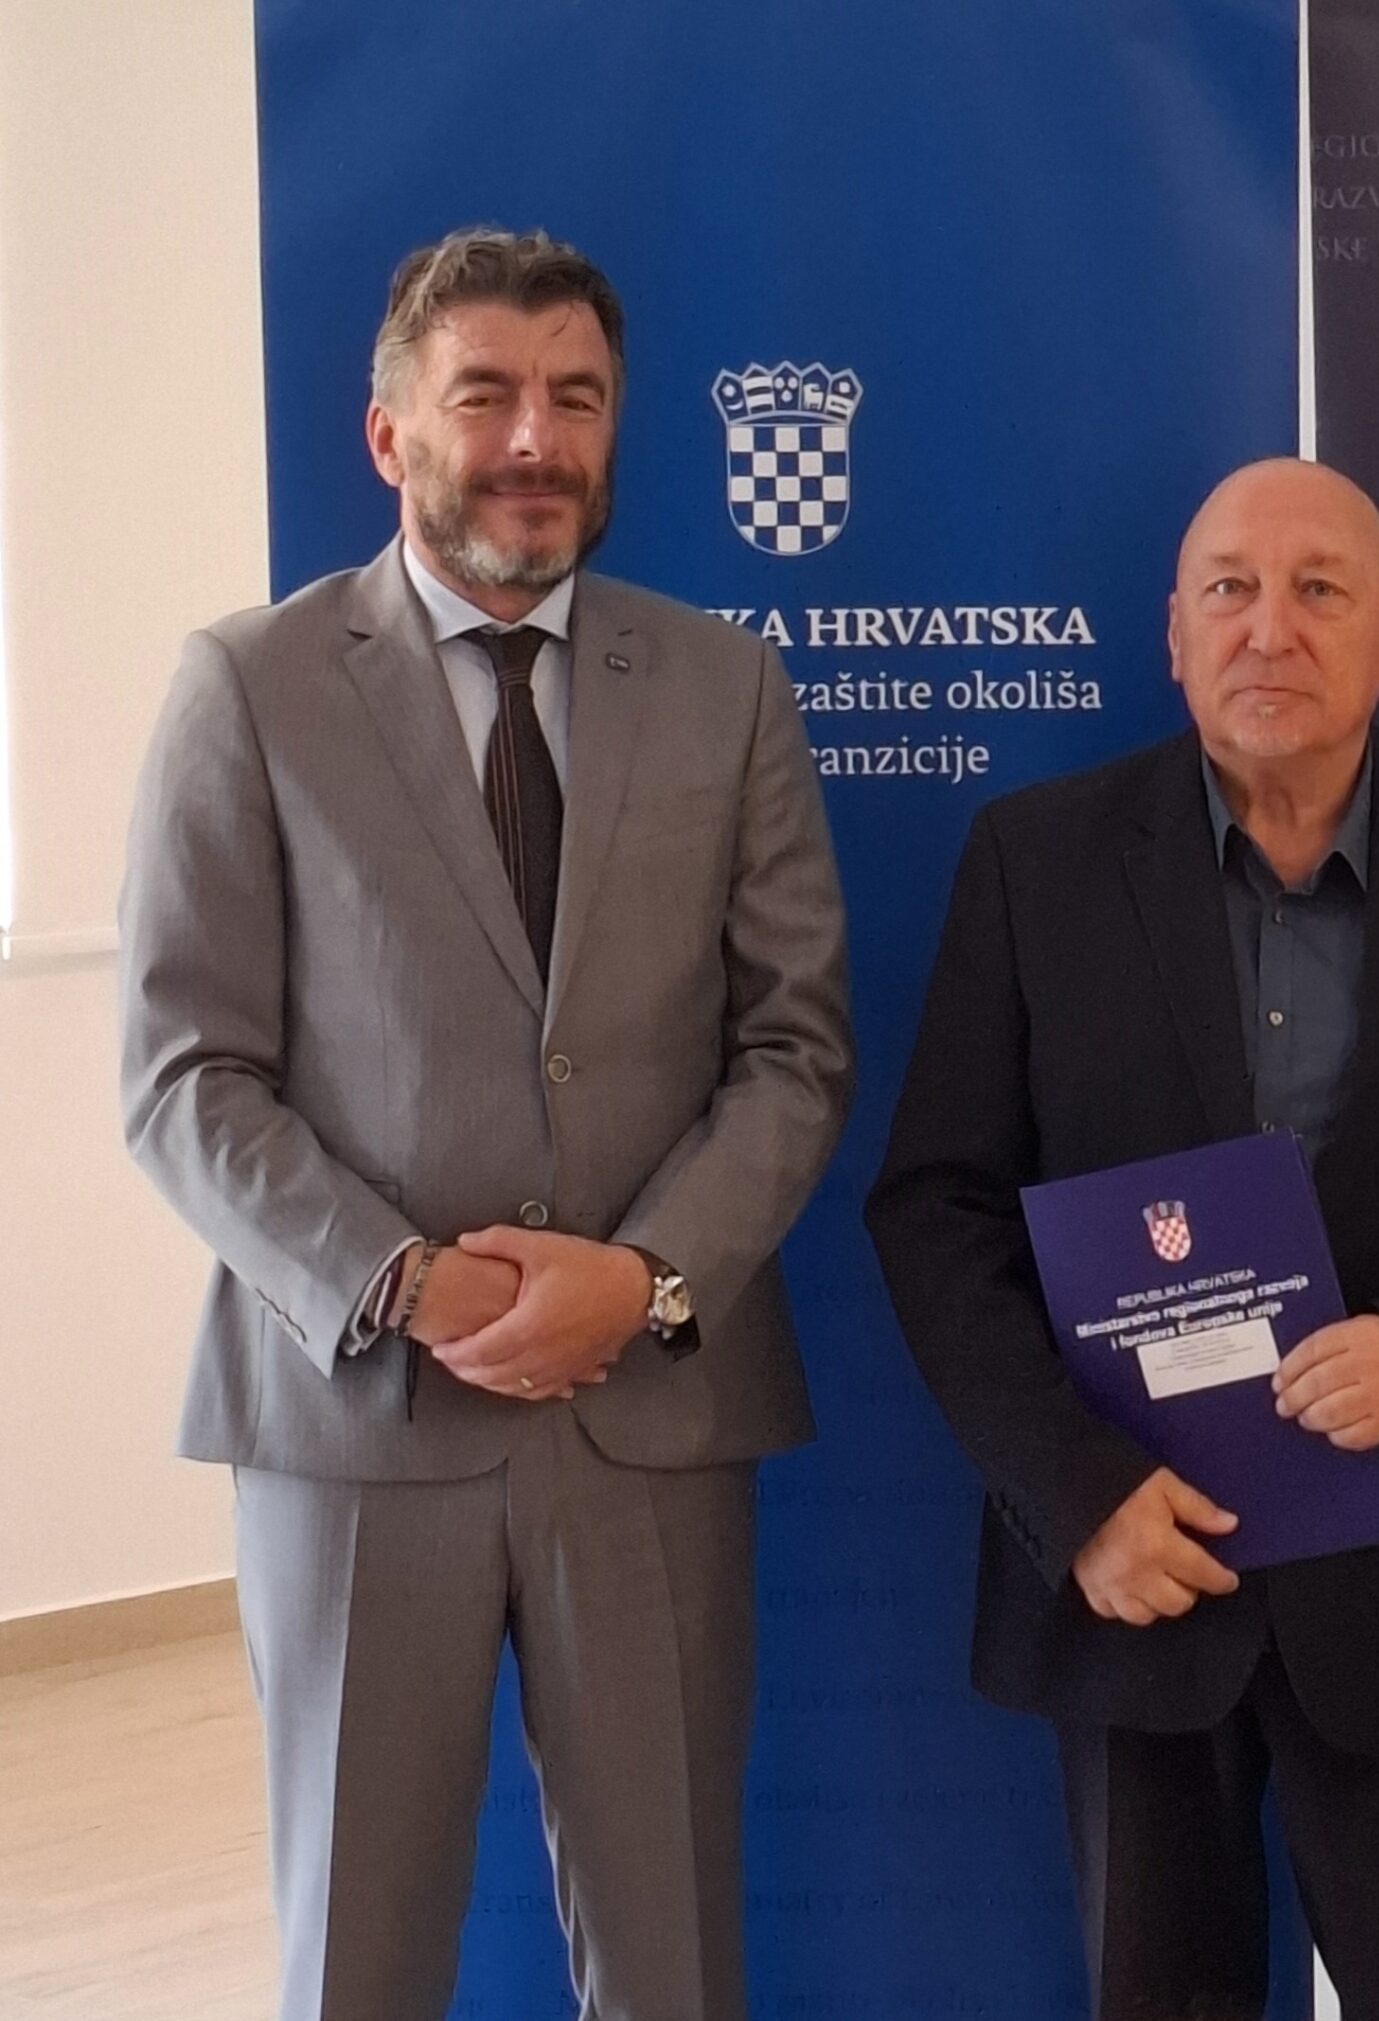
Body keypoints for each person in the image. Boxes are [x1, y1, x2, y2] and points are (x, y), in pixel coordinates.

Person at [120, 227, 852, 2021]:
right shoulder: (251, 685)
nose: (536, 437)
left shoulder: (726, 685)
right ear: (391, 434)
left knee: (674, 1959)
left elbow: (794, 1046)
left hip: (650, 1419)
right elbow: (183, 1073)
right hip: (357, 1427)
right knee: (356, 1963)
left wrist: (645, 1276)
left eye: (576, 398)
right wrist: (406, 1280)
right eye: (488, 395)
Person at [866, 458, 1379, 2021]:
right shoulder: (1034, 863)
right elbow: (936, 1209)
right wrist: (1074, 1493)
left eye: (1320, 590)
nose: (1270, 627)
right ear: (1174, 634)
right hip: (1135, 1577)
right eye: (1230, 590)